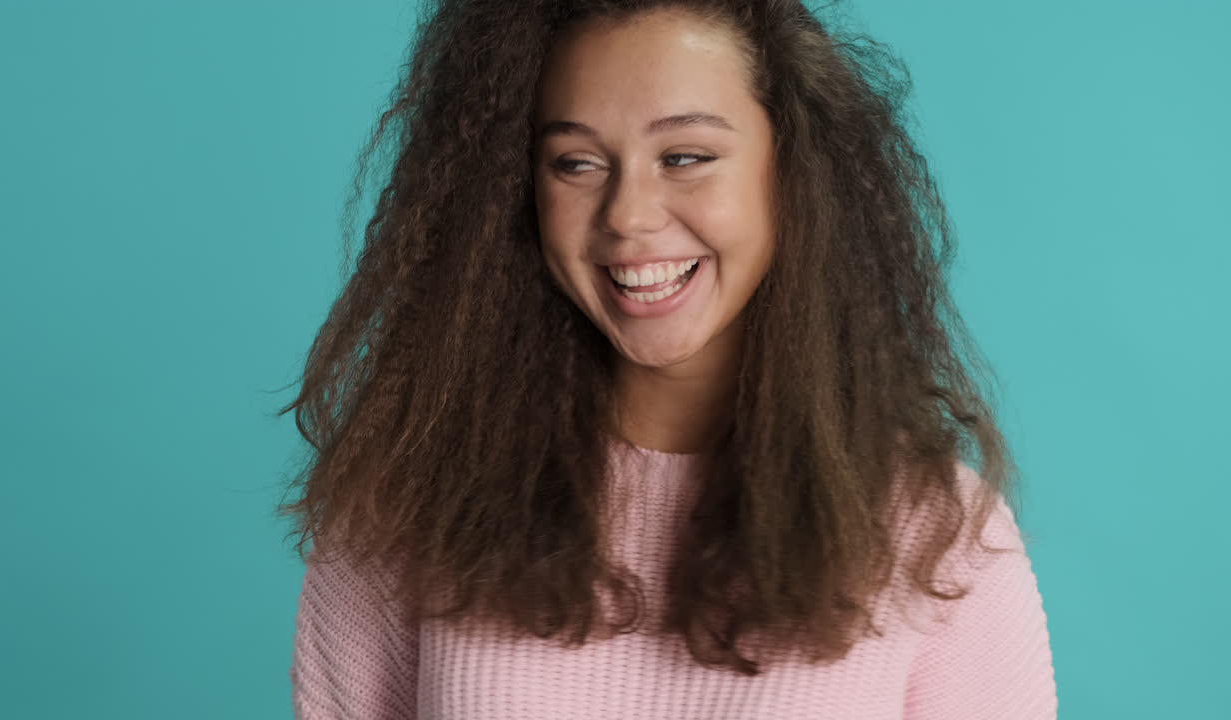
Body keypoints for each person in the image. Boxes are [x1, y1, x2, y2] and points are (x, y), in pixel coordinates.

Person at [278, 1, 1058, 718]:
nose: (627, 216)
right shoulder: (407, 510)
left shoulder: (934, 537)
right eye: (576, 163)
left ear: (791, 172)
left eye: (684, 156)